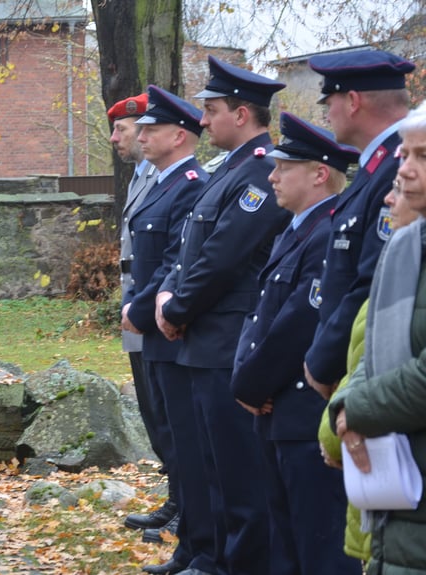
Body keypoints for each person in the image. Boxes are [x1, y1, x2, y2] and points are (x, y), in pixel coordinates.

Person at [156, 55, 290, 575]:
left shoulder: (261, 171)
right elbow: (192, 248)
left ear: (241, 114)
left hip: (226, 339)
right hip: (200, 338)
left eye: (211, 110)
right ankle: (210, 557)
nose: (203, 120)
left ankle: (236, 564)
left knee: (238, 474)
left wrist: (179, 307)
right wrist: (167, 298)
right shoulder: (228, 170)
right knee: (209, 466)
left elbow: (225, 256)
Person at [230, 112, 362, 575]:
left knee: (319, 546)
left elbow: (299, 323)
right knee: (285, 544)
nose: (271, 177)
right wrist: (246, 379)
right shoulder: (297, 229)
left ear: (319, 173)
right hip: (277, 413)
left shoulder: (327, 233)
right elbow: (260, 312)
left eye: (283, 168)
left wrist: (250, 383)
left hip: (304, 414)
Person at [328, 100, 426, 574]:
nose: (404, 172)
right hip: (402, 506)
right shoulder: (407, 246)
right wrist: (346, 408)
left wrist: (356, 409)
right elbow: (374, 350)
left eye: (420, 157)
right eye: (404, 155)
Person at [120, 85, 212, 575]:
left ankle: (192, 533)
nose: (143, 135)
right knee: (166, 424)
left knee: (184, 435)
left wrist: (140, 306)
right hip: (150, 323)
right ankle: (187, 530)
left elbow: (179, 258)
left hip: (167, 325)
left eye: (152, 129)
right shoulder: (159, 181)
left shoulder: (191, 182)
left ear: (179, 135)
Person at [303, 51, 414, 401]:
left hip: (373, 374)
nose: (326, 112)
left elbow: (374, 281)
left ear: (352, 101)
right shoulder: (377, 167)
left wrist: (324, 361)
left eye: (328, 100)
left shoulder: (399, 169)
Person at [108, 92, 171, 532]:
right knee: (152, 410)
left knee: (166, 411)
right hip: (137, 307)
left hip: (153, 309)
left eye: (122, 130)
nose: (116, 138)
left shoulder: (165, 178)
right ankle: (177, 498)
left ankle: (184, 503)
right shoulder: (138, 177)